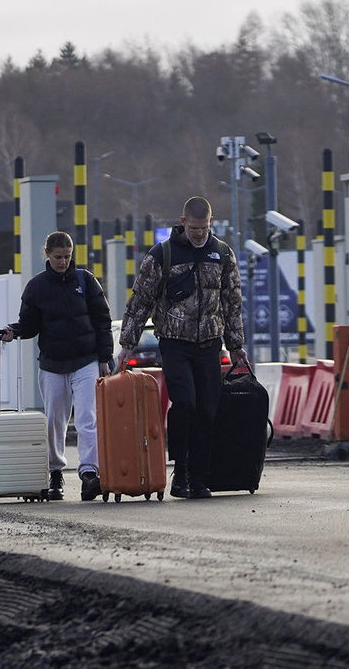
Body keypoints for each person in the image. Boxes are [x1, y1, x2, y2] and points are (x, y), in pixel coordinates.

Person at [116, 196, 249, 499]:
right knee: (185, 403)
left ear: (211, 223)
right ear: (182, 222)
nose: (199, 234)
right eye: (194, 228)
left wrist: (237, 345)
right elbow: (140, 302)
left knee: (208, 410)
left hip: (210, 345)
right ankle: (181, 469)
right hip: (174, 342)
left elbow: (232, 304)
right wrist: (127, 344)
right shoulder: (163, 254)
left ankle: (199, 477)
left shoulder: (223, 254)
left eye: (203, 228)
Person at [0, 231, 112, 501]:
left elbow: (102, 320)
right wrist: (13, 330)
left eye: (67, 257)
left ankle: (89, 474)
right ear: (47, 255)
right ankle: (56, 472)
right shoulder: (37, 287)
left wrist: (105, 359)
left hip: (86, 361)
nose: (63, 262)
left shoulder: (85, 281)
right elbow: (30, 325)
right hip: (52, 364)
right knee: (54, 422)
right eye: (58, 257)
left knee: (87, 419)